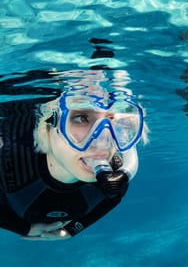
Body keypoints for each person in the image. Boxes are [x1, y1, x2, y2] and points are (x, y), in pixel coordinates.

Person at [0, 84, 145, 240]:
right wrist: (22, 228)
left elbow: (113, 197)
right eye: (81, 118)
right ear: (49, 127)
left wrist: (72, 230)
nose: (103, 144)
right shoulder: (10, 154)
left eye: (114, 120)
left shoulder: (115, 170)